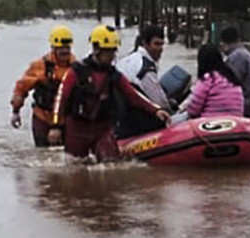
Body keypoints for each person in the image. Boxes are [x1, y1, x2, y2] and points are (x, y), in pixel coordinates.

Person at [52, 24, 169, 161]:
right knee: (75, 167)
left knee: (111, 163)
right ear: (97, 50)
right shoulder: (76, 72)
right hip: (78, 128)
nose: (112, 56)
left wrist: (155, 110)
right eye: (109, 52)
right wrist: (56, 126)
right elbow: (61, 98)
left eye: (114, 51)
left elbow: (133, 95)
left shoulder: (113, 75)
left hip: (102, 127)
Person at [10, 25, 76, 147]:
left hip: (66, 119)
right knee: (43, 154)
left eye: (67, 47)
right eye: (61, 48)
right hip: (43, 118)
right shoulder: (40, 66)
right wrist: (16, 111)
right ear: (53, 48)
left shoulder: (76, 67)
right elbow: (22, 88)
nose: (65, 51)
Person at [116, 24, 171, 137]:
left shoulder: (129, 59)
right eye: (156, 44)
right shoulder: (146, 69)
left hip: (119, 118)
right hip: (134, 122)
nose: (160, 49)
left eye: (162, 44)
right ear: (145, 44)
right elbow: (159, 102)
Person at [182, 43, 245, 119]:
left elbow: (193, 110)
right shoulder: (233, 79)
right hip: (235, 123)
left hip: (210, 124)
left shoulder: (207, 79)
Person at [219, 26, 250, 118]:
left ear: (224, 43)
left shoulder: (237, 57)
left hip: (243, 106)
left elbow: (228, 84)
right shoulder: (245, 54)